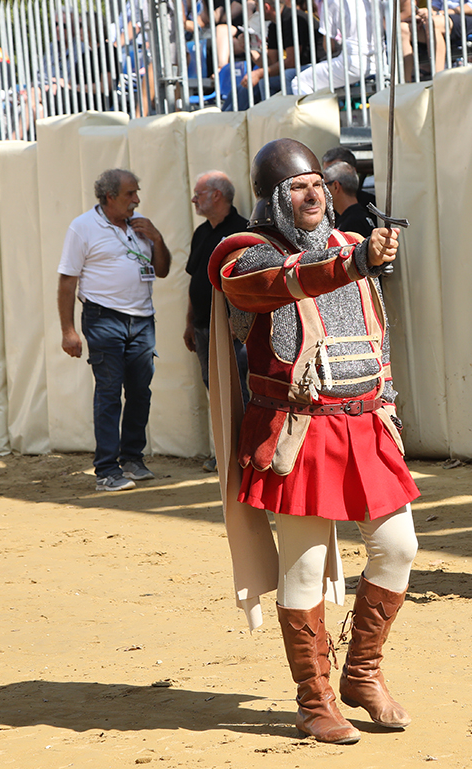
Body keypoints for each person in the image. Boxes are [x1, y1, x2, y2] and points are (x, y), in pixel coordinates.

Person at [208, 138, 418, 743]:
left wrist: (367, 258)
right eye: (297, 186)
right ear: (274, 197)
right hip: (297, 428)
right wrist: (352, 265)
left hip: (365, 420)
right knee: (303, 566)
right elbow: (273, 285)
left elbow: (371, 321)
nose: (312, 194)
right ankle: (314, 699)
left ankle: (363, 672)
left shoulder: (349, 245)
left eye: (318, 184)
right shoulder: (244, 253)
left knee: (398, 546)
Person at [58, 168, 172, 492]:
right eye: (130, 194)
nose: (137, 200)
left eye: (137, 193)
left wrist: (157, 238)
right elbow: (67, 281)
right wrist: (68, 330)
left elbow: (162, 270)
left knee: (140, 391)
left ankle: (132, 459)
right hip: (103, 318)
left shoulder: (141, 227)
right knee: (109, 393)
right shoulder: (82, 228)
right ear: (110, 197)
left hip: (142, 320)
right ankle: (107, 470)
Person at [185, 171, 252, 471]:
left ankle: (245, 453)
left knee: (236, 390)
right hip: (203, 328)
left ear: (216, 195)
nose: (194, 199)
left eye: (199, 193)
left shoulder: (242, 232)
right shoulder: (201, 233)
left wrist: (237, 322)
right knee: (214, 389)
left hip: (232, 331)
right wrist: (189, 322)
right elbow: (193, 281)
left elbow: (250, 284)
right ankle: (224, 453)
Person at [291, 0, 383, 96]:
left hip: (353, 63)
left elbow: (328, 45)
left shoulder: (333, 1)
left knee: (299, 81)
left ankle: (316, 119)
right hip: (380, 60)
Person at [324, 161, 376, 236]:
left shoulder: (354, 223)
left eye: (324, 185)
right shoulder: (357, 216)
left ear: (336, 186)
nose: (322, 191)